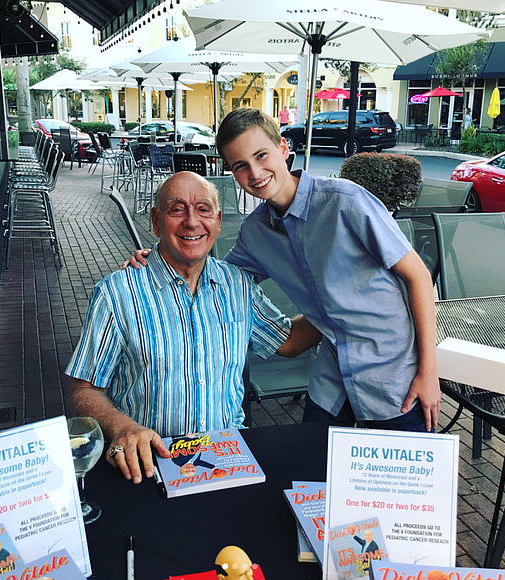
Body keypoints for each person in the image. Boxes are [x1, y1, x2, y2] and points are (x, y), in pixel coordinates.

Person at [125, 108, 440, 434]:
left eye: (261, 155)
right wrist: (160, 258)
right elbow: (214, 275)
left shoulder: (345, 201)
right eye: (241, 166)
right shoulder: (256, 232)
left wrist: (428, 373)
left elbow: (418, 277)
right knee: (311, 463)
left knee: (392, 474)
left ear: (284, 149)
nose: (256, 172)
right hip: (334, 363)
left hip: (394, 366)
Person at [66, 171, 321, 484]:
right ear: (156, 221)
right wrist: (121, 427)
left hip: (227, 460)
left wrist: (343, 312)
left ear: (217, 220)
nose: (191, 221)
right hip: (150, 463)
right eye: (177, 209)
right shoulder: (118, 293)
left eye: (203, 209)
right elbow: (85, 389)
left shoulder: (237, 284)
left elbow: (288, 340)